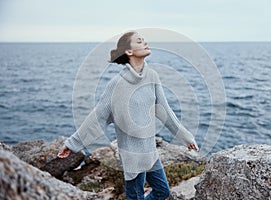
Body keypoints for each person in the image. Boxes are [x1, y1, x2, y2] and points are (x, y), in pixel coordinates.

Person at [58, 31, 199, 200]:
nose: (145, 42)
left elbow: (165, 111)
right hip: (132, 156)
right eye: (139, 41)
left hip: (150, 152)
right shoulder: (116, 84)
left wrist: (186, 137)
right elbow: (98, 117)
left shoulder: (152, 76)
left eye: (144, 40)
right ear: (129, 51)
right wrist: (73, 143)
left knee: (163, 191)